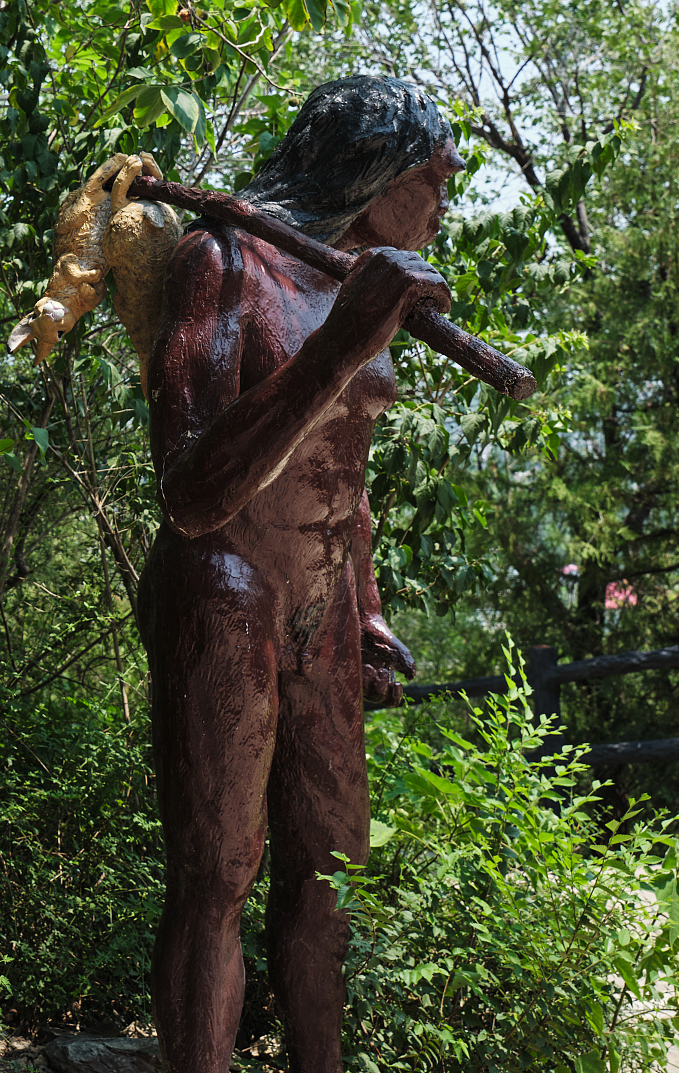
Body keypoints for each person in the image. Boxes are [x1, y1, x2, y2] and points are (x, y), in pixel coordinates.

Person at [137, 74, 465, 1073]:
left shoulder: (353, 277)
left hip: (319, 599)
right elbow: (192, 491)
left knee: (330, 868)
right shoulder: (223, 262)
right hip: (224, 590)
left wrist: (364, 611)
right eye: (432, 180)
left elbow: (345, 479)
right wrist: (342, 344)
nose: (443, 205)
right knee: (216, 874)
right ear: (370, 174)